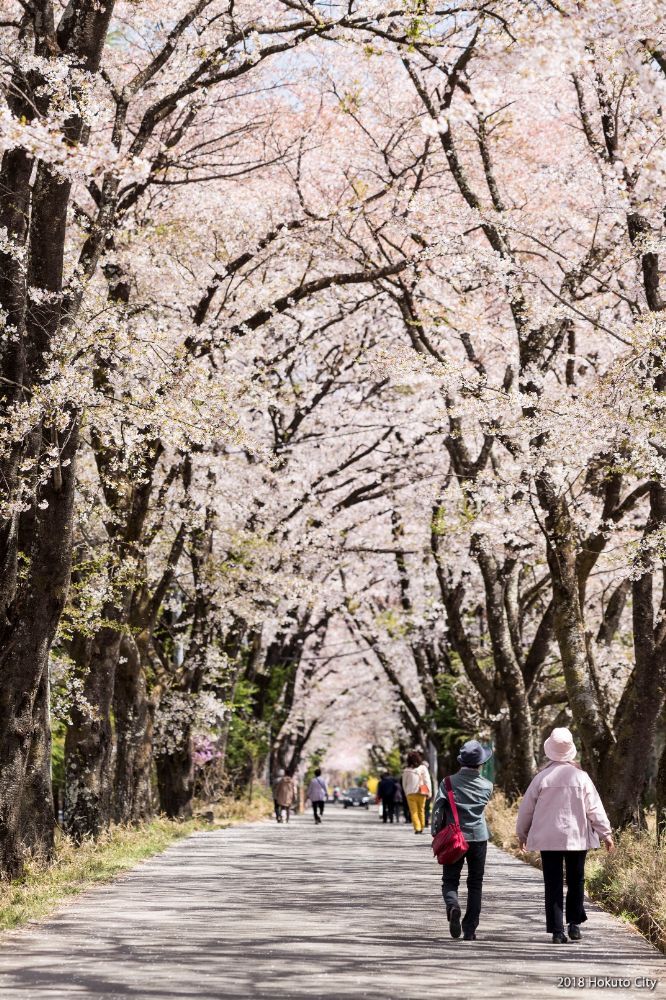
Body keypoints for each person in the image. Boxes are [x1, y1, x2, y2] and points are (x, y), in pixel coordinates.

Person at [516, 727, 614, 944]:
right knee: (576, 880)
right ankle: (575, 925)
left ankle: (557, 931)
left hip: (548, 840)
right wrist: (605, 833)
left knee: (552, 883)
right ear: (571, 750)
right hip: (576, 838)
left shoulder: (541, 778)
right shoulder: (582, 777)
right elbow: (594, 809)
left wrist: (521, 834)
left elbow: (526, 810)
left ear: (549, 750)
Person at [431, 739, 493, 941]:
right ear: (481, 764)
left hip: (453, 839)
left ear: (461, 761)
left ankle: (453, 906)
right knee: (475, 883)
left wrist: (435, 832)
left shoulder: (447, 783)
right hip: (479, 838)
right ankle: (470, 929)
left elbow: (438, 809)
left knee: (450, 880)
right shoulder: (487, 786)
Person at [402, 749, 432, 834]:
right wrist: (429, 791)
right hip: (421, 792)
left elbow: (404, 783)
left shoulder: (406, 770)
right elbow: (427, 780)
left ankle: (417, 828)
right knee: (421, 810)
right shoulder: (423, 768)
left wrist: (405, 792)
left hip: (410, 793)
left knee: (413, 811)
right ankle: (422, 826)